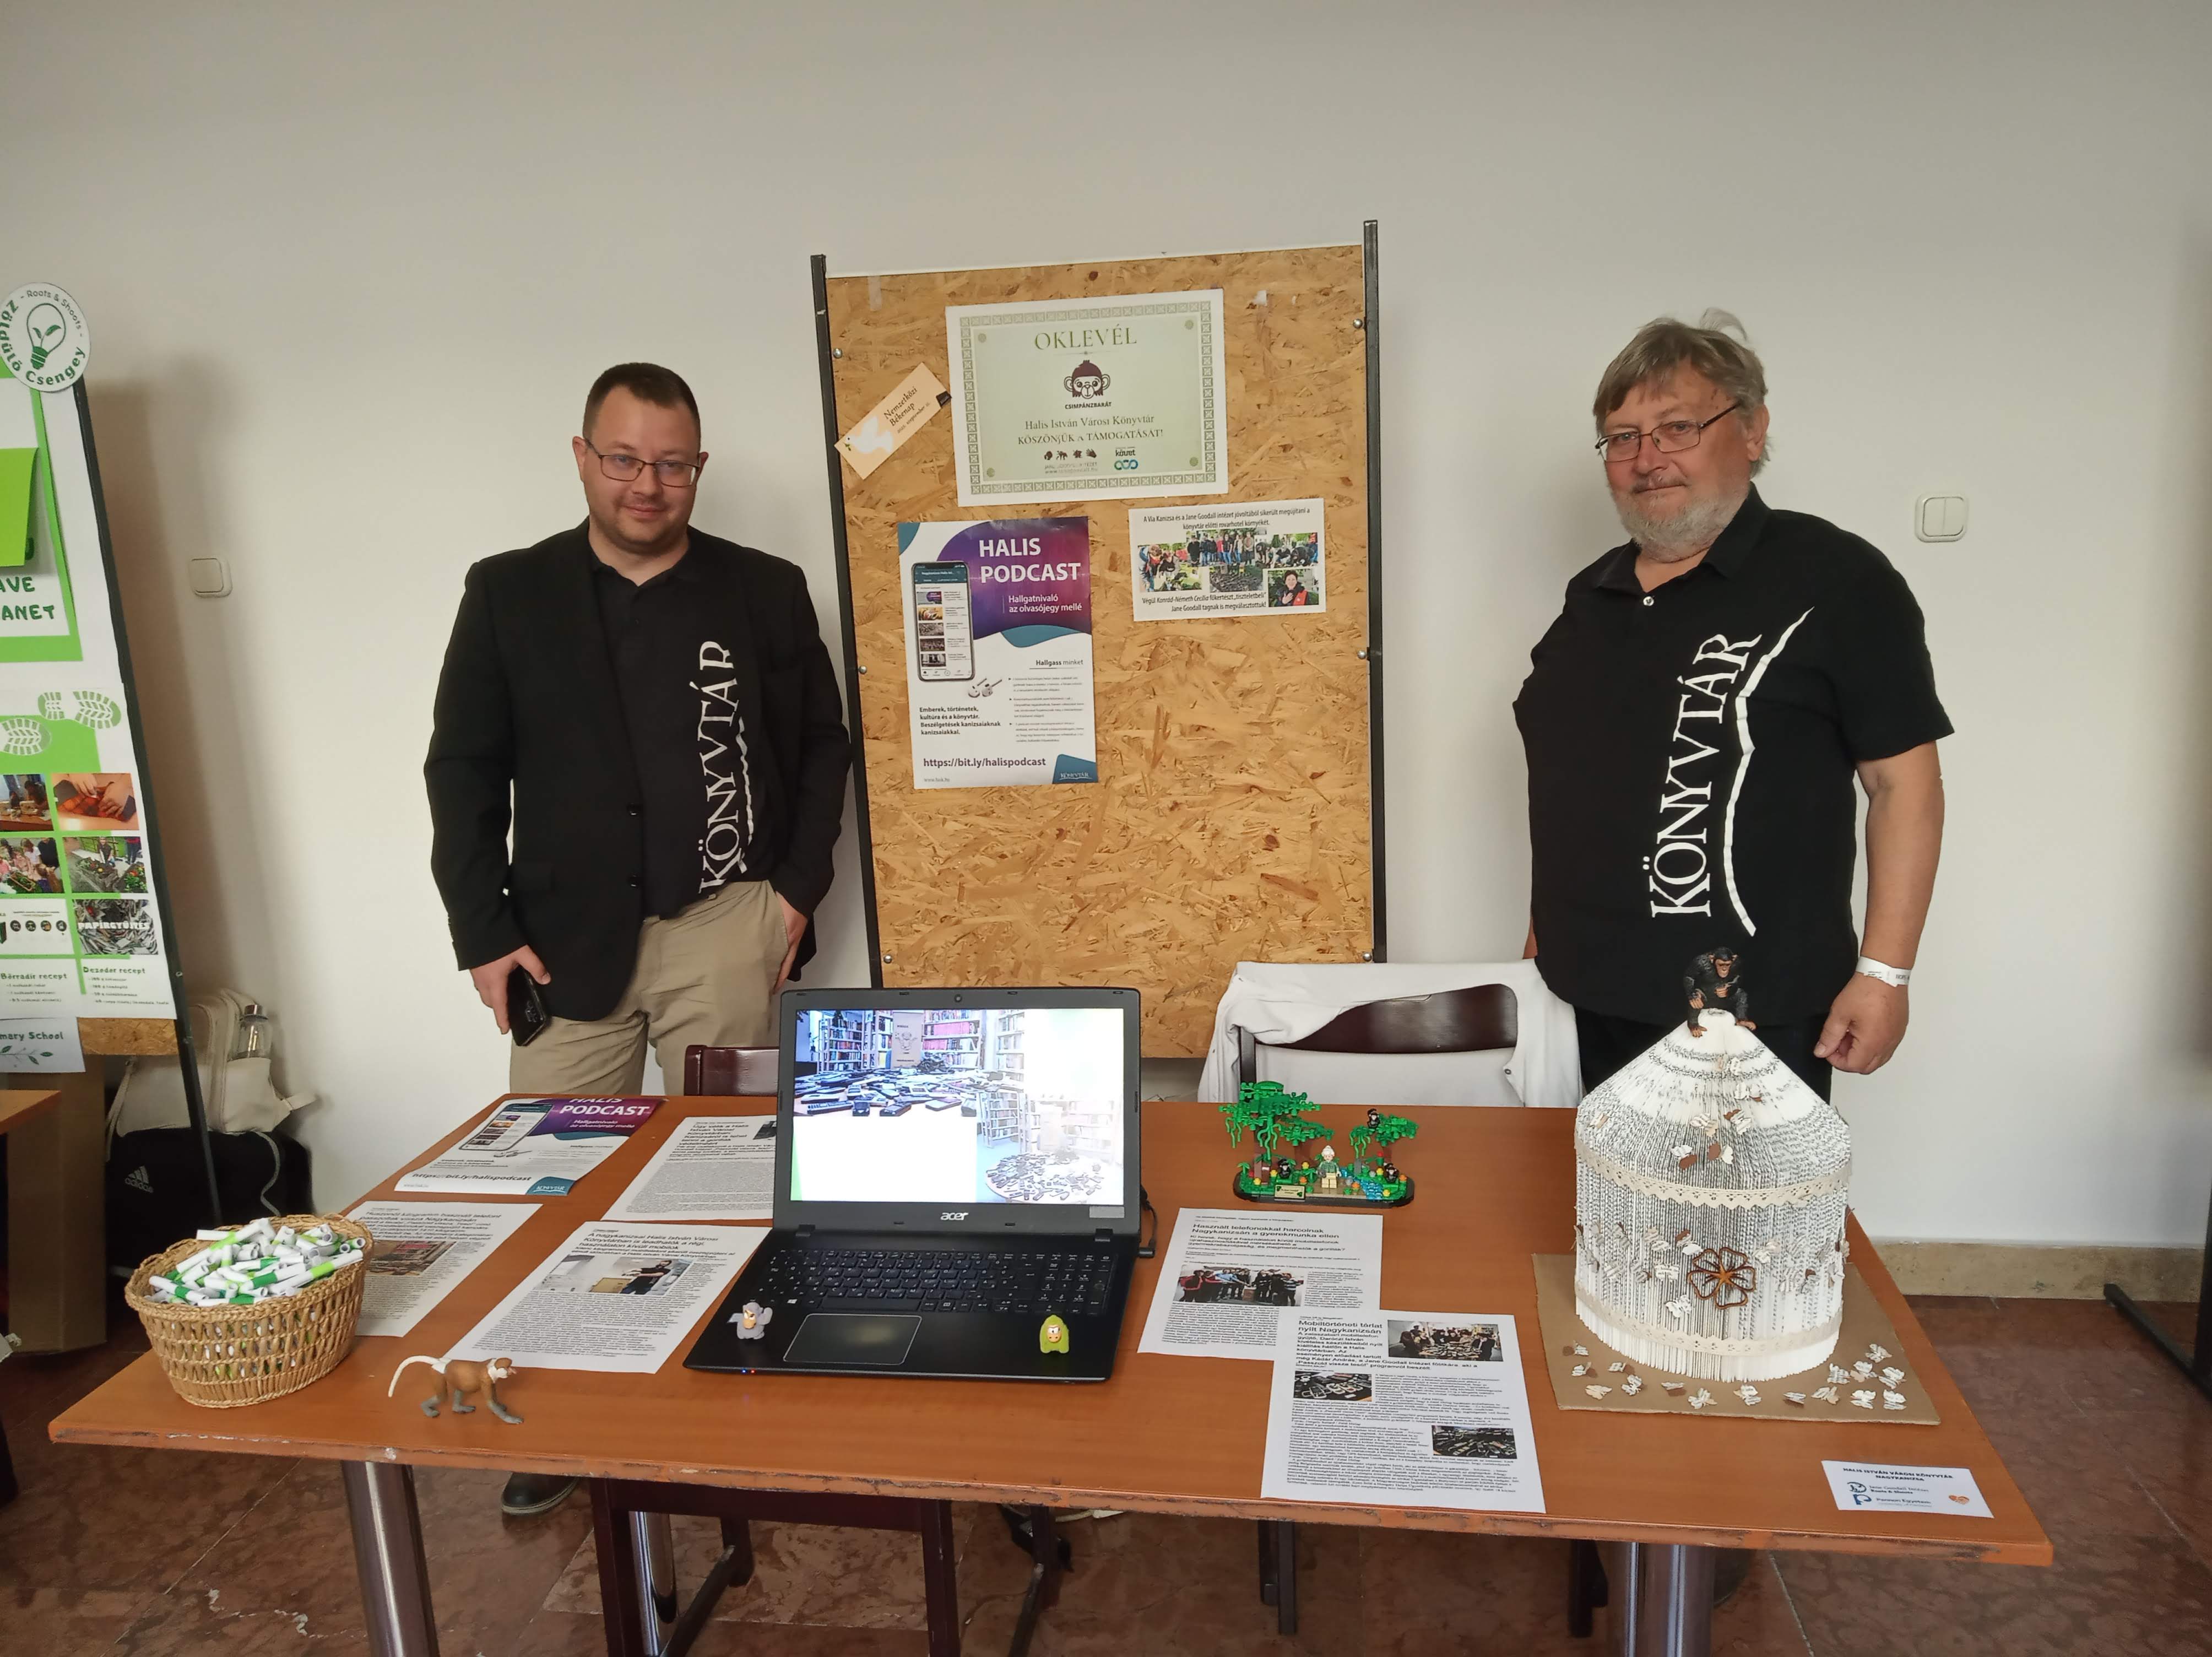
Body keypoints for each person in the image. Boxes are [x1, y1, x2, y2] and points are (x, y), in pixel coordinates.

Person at [426, 362, 850, 1516]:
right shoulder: (509, 592)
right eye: (623, 459)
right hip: (563, 948)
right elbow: (462, 768)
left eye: (671, 464)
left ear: (699, 467)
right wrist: (482, 931)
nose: (646, 485)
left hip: (724, 928)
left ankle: (728, 1387)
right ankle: (562, 1413)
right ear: (582, 457)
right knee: (556, 1184)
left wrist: (791, 896)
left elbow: (822, 744)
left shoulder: (764, 590)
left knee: (733, 1174)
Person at [1515, 311, 1948, 1105]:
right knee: (1598, 1188)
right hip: (1583, 993)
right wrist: (1544, 934)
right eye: (1623, 437)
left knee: (1741, 1195)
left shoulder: (1835, 579)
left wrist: (1885, 974)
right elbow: (1575, 784)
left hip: (1752, 1009)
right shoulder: (1592, 597)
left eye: (1677, 427)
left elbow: (1903, 783)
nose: (1647, 458)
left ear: (1751, 431)